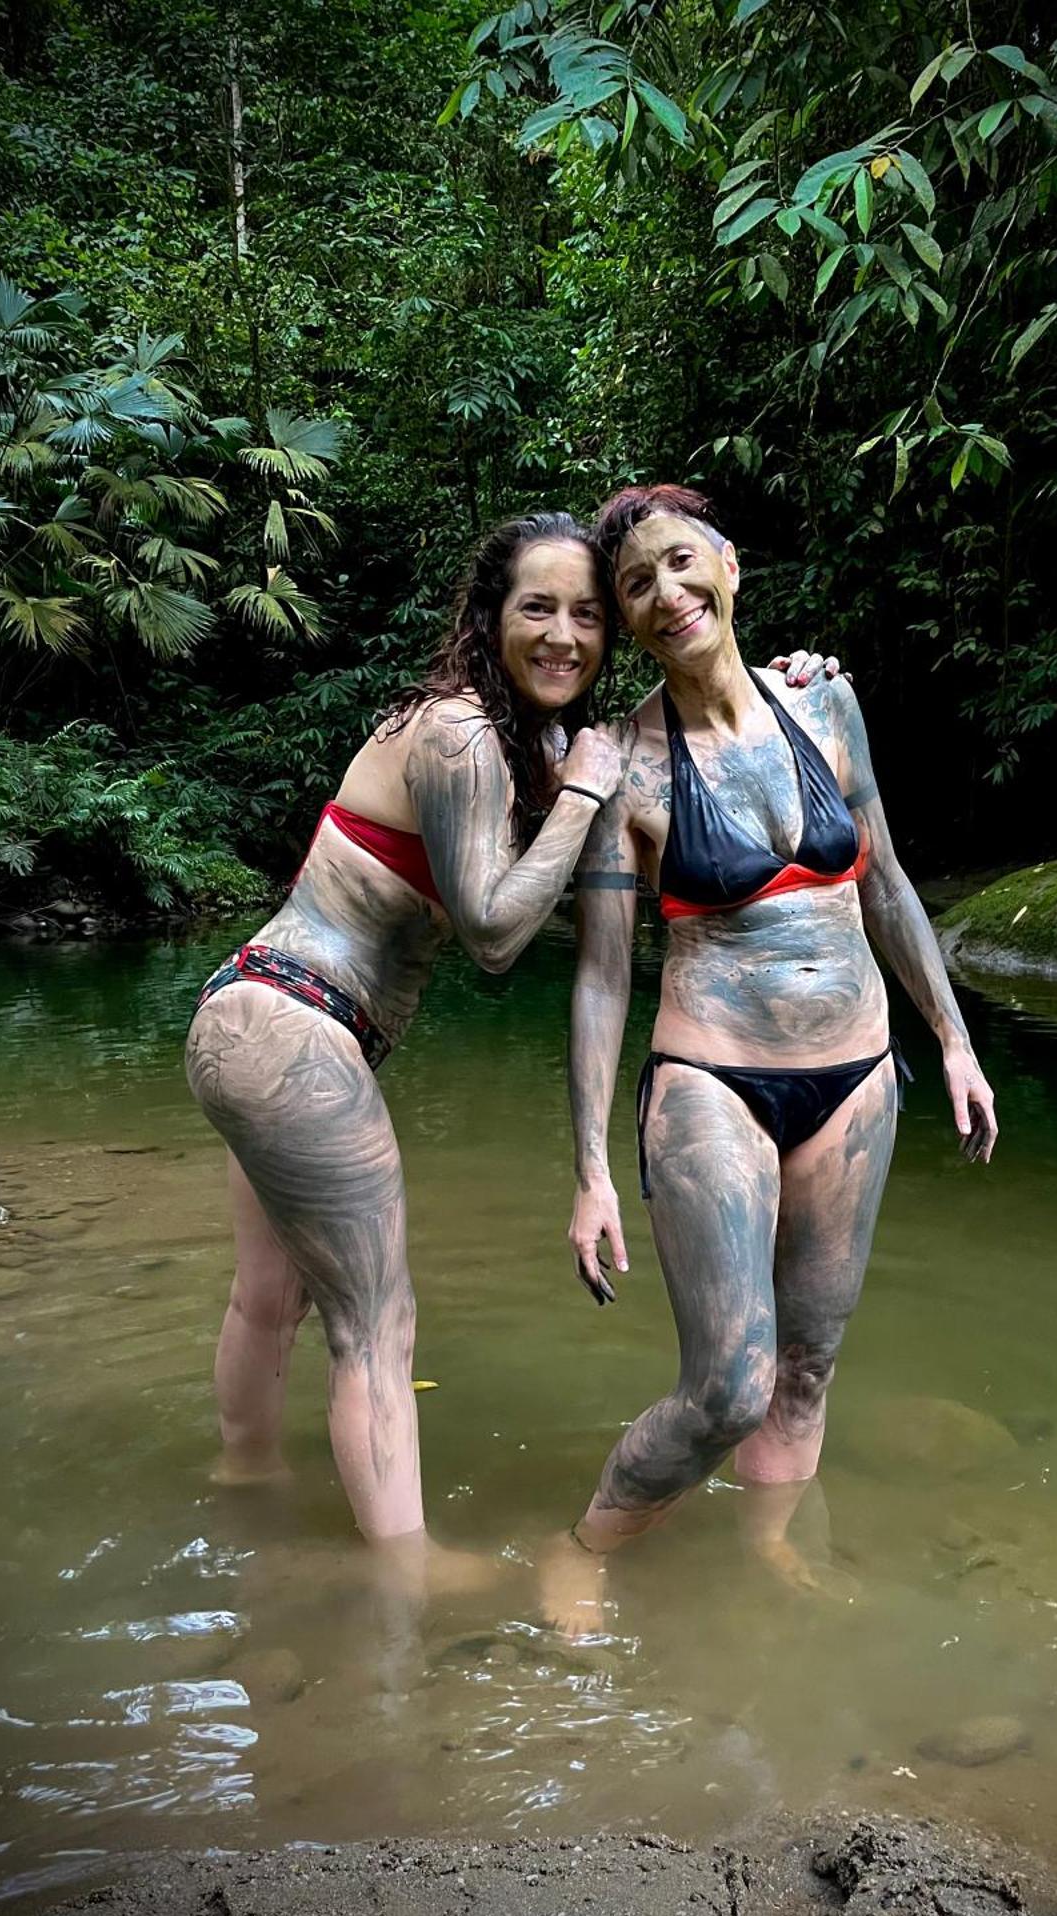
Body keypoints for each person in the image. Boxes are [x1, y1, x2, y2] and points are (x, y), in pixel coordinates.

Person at [184, 508, 838, 1594]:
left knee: (273, 1294)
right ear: (489, 618)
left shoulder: (533, 743)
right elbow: (491, 934)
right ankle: (404, 1571)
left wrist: (779, 675)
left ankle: (243, 1477)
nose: (565, 635)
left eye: (588, 613)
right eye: (537, 607)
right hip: (291, 1021)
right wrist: (586, 790)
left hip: (261, 1018)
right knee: (375, 1323)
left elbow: (657, 741)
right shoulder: (458, 733)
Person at [545, 485, 998, 1635]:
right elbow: (602, 974)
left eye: (682, 563)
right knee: (729, 1384)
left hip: (856, 1077)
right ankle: (586, 1542)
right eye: (637, 585)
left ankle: (768, 1553)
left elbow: (885, 881)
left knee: (805, 1370)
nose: (666, 593)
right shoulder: (628, 765)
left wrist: (952, 1037)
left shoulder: (828, 699)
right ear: (628, 620)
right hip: (712, 1080)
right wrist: (592, 1165)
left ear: (731, 568)